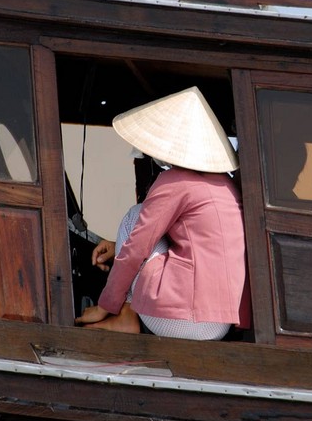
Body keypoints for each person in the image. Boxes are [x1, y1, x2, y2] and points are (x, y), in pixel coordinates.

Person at [74, 86, 251, 339]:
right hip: (220, 323)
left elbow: (137, 246)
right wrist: (118, 245)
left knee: (135, 215)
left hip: (180, 318)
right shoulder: (226, 184)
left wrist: (105, 306)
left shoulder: (175, 181)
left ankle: (126, 314)